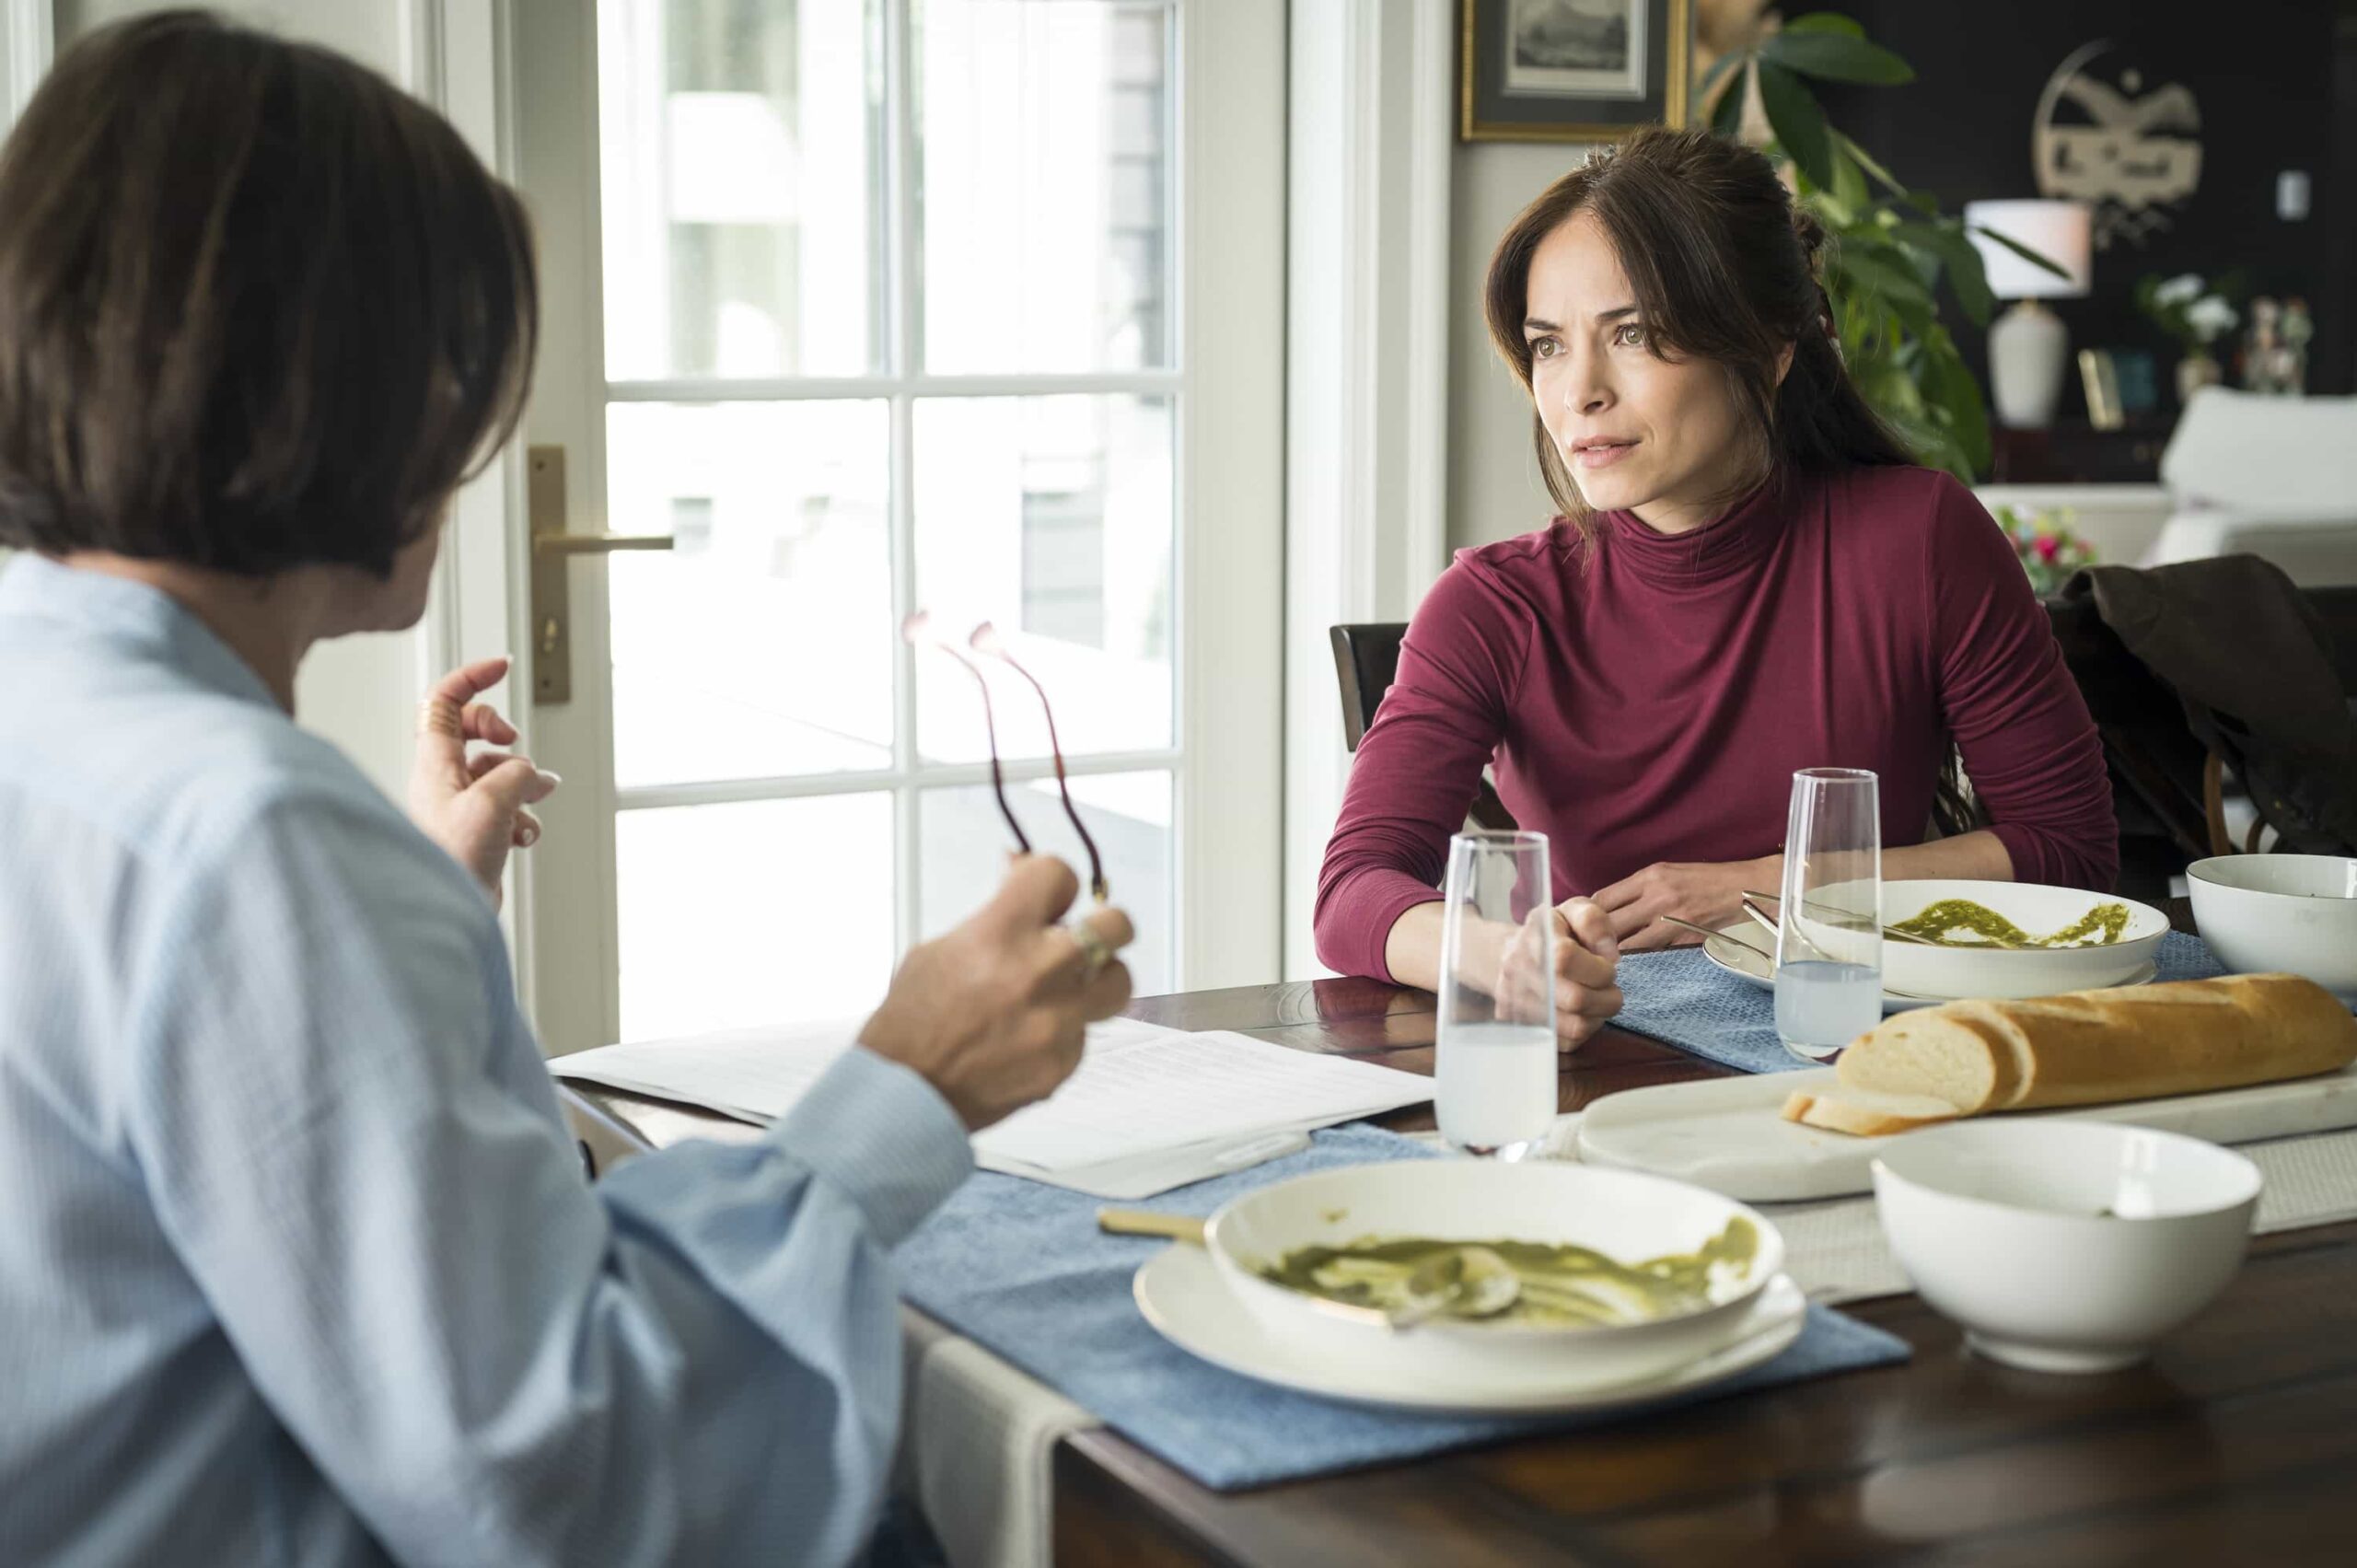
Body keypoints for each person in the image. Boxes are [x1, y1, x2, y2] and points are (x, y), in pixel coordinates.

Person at [0, 14, 1132, 1566]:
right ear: (339, 385)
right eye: (448, 359)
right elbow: (552, 1483)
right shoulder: (250, 837)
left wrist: (405, 907)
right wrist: (912, 1078)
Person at [1315, 127, 2116, 1043]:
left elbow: (2070, 851)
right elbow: (1353, 892)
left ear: (1769, 347)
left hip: (1871, 1041)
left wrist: (1764, 887)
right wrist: (1504, 959)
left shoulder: (1922, 538)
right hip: (1614, 1060)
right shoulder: (1493, 606)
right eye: (1548, 346)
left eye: (1632, 334)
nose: (1579, 392)